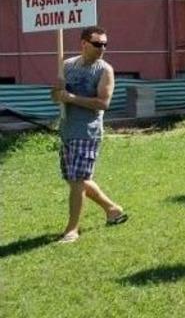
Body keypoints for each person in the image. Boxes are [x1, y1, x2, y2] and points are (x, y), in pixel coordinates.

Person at [50, 26, 127, 243]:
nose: (102, 48)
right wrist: (57, 91)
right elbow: (55, 96)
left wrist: (72, 98)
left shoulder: (105, 70)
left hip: (87, 131)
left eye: (105, 44)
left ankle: (72, 230)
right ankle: (112, 209)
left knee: (77, 180)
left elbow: (103, 103)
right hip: (67, 129)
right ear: (84, 43)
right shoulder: (66, 65)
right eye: (97, 44)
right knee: (76, 179)